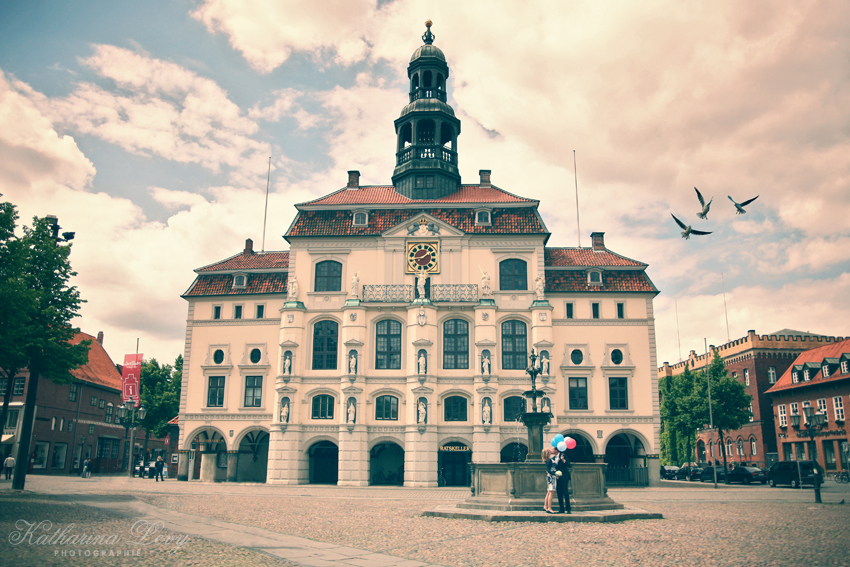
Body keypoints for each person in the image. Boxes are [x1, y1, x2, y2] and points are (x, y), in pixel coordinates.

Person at [554, 445, 572, 514]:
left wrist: (563, 460)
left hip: (564, 477)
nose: (552, 450)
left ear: (556, 450)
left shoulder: (563, 456)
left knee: (565, 492)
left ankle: (568, 508)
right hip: (558, 477)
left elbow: (569, 464)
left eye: (553, 449)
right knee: (559, 493)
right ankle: (561, 509)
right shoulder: (553, 458)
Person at [543, 447, 558, 513]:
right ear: (547, 453)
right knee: (551, 492)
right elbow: (548, 470)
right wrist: (555, 474)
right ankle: (549, 508)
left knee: (549, 492)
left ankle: (545, 506)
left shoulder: (549, 459)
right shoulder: (549, 460)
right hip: (551, 477)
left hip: (551, 476)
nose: (551, 451)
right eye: (549, 451)